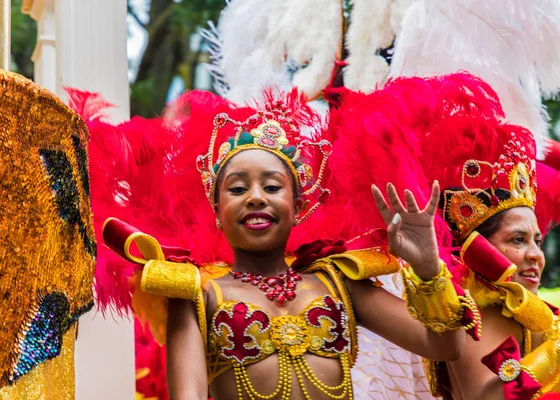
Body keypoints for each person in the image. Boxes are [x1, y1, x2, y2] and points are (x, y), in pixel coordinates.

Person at [98, 88, 480, 400]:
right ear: (217, 211)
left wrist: (429, 268)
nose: (255, 197)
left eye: (272, 186)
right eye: (236, 188)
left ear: (298, 207)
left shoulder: (338, 282)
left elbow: (444, 347)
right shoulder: (198, 294)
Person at [329, 72, 560, 400]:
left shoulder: (523, 310)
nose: (536, 254)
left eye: (536, 240)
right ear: (476, 248)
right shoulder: (478, 311)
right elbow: (483, 396)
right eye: (517, 240)